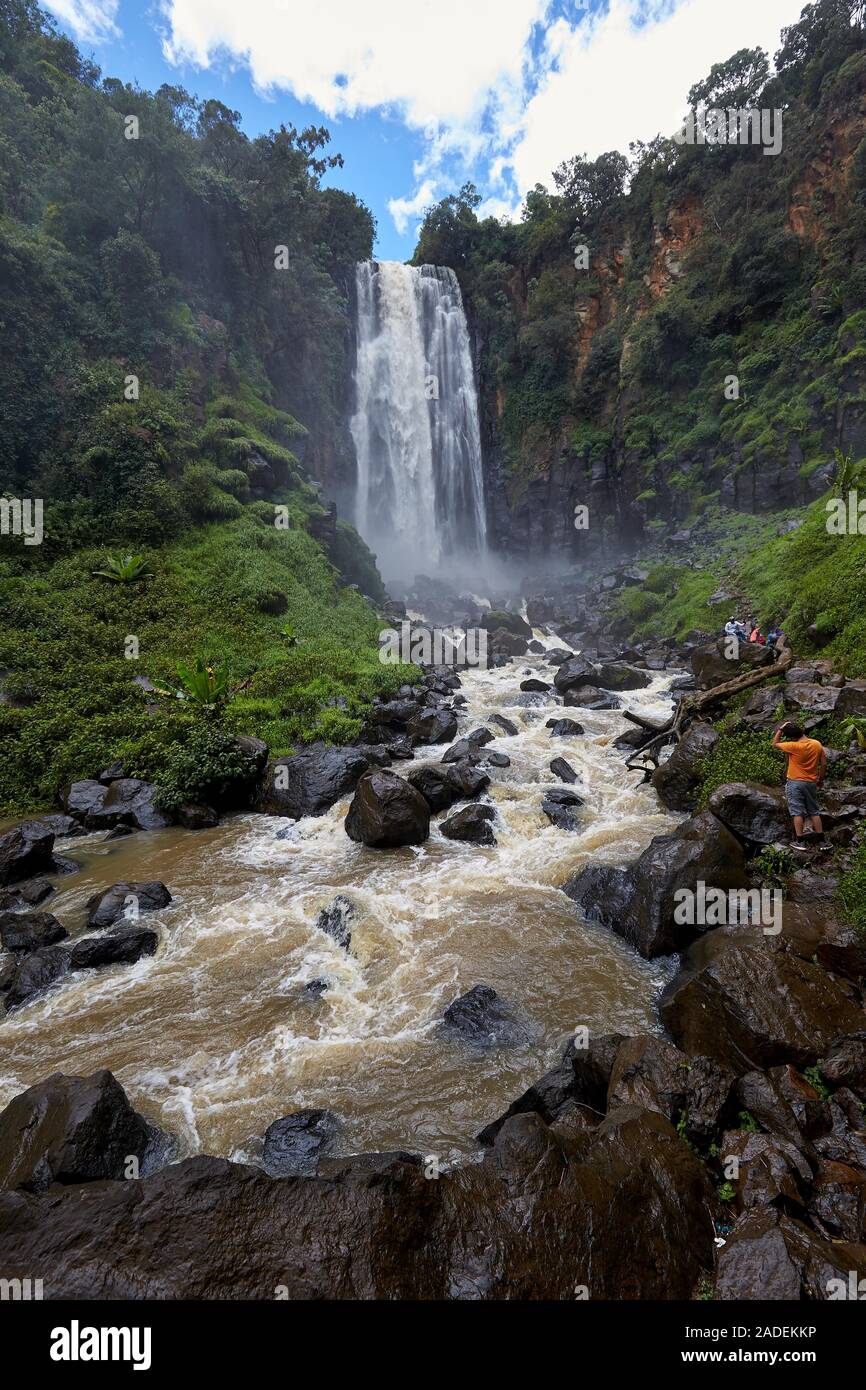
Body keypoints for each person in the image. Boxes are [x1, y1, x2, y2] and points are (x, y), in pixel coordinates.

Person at [772, 721, 826, 843]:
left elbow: (775, 744)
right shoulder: (817, 744)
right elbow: (823, 764)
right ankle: (822, 841)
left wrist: (781, 729)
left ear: (792, 737)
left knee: (797, 812)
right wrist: (820, 780)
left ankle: (800, 841)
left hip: (795, 783)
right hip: (811, 782)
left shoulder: (793, 746)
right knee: (814, 811)